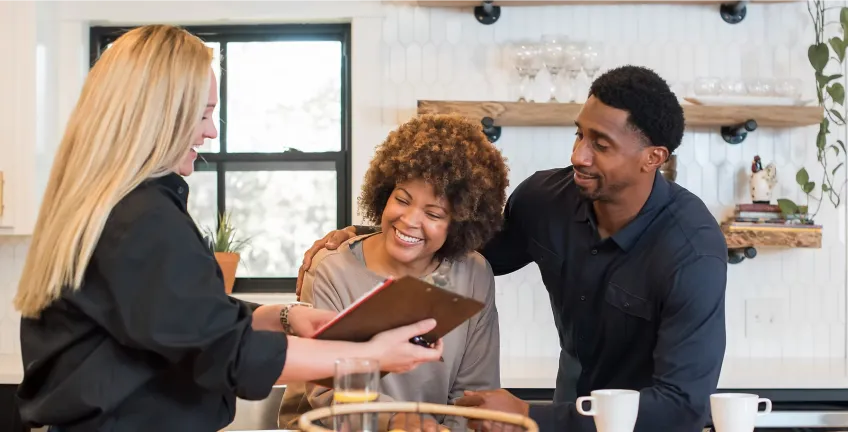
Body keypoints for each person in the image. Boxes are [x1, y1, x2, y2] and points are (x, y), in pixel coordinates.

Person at [12, 25, 442, 432]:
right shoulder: (140, 216)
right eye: (203, 114)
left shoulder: (112, 205)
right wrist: (367, 356)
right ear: (160, 117)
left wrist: (283, 316)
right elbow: (225, 354)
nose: (212, 132)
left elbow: (181, 317)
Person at [297, 65, 728, 432]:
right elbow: (457, 243)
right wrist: (361, 234)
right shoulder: (546, 199)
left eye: (600, 145)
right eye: (579, 135)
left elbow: (684, 405)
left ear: (653, 157)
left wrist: (529, 414)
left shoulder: (692, 252)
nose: (579, 156)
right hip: (565, 408)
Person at [279, 113, 508, 431]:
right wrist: (397, 421)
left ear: (459, 225)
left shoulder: (474, 275)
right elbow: (326, 393)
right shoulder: (331, 270)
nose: (410, 220)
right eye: (402, 199)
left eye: (433, 213)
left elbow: (473, 395)